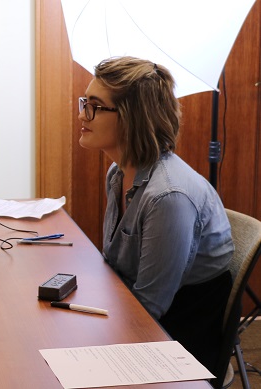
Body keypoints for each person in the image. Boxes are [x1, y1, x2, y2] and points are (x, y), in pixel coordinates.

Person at [78, 56, 234, 372]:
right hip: (133, 318)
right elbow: (115, 267)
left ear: (131, 117)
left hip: (174, 343)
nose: (83, 114)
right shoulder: (118, 174)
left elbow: (149, 311)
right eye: (84, 102)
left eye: (94, 106)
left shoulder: (169, 196)